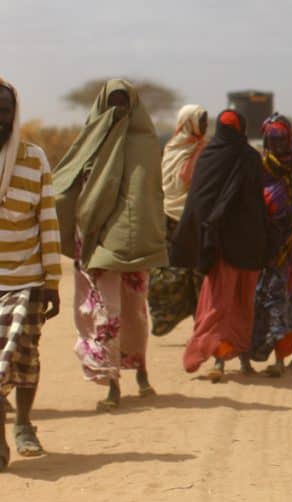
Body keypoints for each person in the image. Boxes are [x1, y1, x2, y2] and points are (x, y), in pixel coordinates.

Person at [53, 79, 166, 411]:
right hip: (94, 237)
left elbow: (150, 194)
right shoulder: (91, 140)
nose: (117, 109)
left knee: (135, 310)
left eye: (123, 102)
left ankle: (141, 370)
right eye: (112, 102)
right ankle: (113, 382)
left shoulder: (144, 143)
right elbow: (67, 182)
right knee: (108, 311)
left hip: (133, 239)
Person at [171, 110, 267, 381]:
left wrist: (195, 237)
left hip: (223, 242)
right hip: (247, 240)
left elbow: (198, 202)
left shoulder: (209, 156)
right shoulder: (250, 158)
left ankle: (220, 358)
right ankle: (229, 360)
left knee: (219, 301)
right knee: (241, 301)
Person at [0, 78, 62, 469]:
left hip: (27, 278)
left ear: (14, 113)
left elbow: (48, 222)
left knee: (21, 355)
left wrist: (52, 281)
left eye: (4, 109)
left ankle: (23, 423)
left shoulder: (34, 158)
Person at [244, 115, 292, 377]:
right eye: (272, 140)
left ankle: (289, 356)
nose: (275, 144)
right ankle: (289, 355)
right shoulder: (265, 167)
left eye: (279, 139)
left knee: (288, 294)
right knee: (283, 295)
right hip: (278, 244)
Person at [147, 104, 207, 336]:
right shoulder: (190, 148)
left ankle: (197, 323)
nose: (202, 127)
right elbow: (184, 178)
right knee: (183, 271)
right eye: (200, 122)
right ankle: (171, 315)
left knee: (192, 272)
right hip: (182, 218)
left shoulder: (170, 146)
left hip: (174, 215)